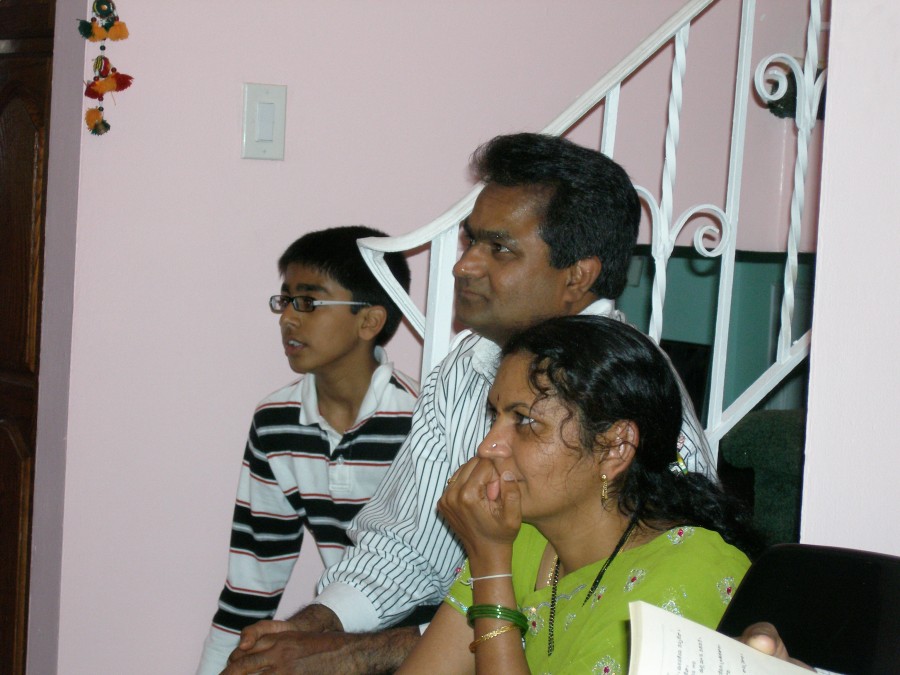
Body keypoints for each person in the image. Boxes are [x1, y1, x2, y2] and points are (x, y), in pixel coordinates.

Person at [223, 133, 716, 674]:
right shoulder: (469, 360)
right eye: (470, 241)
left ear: (578, 276)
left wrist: (352, 655)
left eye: (499, 249)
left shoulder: (636, 396)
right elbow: (407, 544)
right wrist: (310, 628)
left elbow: (580, 620)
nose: (464, 266)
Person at [396, 315, 759, 673]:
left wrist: (490, 567)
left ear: (615, 447)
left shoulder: (688, 575)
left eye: (525, 420)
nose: (488, 445)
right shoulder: (521, 537)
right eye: (496, 416)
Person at [196, 226, 418, 674]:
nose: (288, 319)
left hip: (426, 646)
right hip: (335, 639)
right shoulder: (277, 421)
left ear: (369, 321)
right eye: (285, 301)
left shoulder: (422, 420)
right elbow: (253, 581)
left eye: (309, 303)